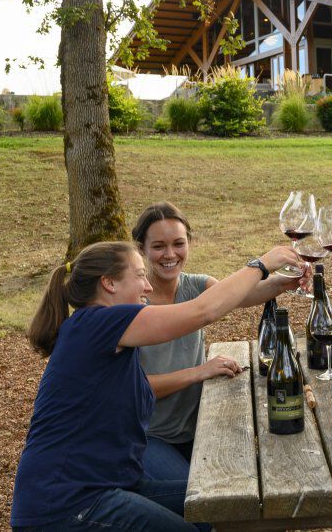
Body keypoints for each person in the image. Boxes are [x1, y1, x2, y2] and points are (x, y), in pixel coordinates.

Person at [11, 240, 299, 531]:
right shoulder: (97, 322)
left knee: (228, 501)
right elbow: (203, 311)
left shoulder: (103, 338)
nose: (148, 287)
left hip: (112, 485)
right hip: (67, 503)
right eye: (139, 276)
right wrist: (260, 265)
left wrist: (279, 284)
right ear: (108, 283)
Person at [131, 201, 299, 481]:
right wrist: (198, 372)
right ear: (141, 249)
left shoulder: (196, 285)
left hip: (195, 430)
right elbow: (135, 388)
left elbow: (243, 294)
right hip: (147, 437)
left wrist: (284, 281)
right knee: (203, 498)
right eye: (159, 246)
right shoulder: (132, 305)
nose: (170, 254)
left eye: (178, 243)